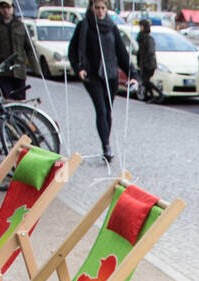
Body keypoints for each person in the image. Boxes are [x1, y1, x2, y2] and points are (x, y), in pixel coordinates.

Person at [69, 0, 133, 161]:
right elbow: (73, 51)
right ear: (91, 7)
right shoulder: (84, 26)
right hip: (92, 75)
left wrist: (133, 75)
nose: (100, 11)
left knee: (108, 111)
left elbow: (122, 53)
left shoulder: (111, 27)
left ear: (107, 9)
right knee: (101, 109)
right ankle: (106, 146)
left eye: (103, 8)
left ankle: (106, 141)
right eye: (97, 8)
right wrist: (80, 69)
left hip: (110, 75)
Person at [0, 0, 35, 101]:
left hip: (18, 72)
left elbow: (29, 48)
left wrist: (37, 69)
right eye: (2, 7)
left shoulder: (19, 24)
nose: (6, 11)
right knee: (7, 103)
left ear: (13, 8)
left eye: (8, 7)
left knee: (20, 104)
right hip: (1, 71)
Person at [136, 18, 159, 102]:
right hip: (143, 64)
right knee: (145, 81)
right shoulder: (141, 38)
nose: (140, 28)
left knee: (145, 80)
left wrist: (145, 62)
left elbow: (150, 52)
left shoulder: (149, 39)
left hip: (149, 64)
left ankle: (159, 94)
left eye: (141, 26)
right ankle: (151, 96)